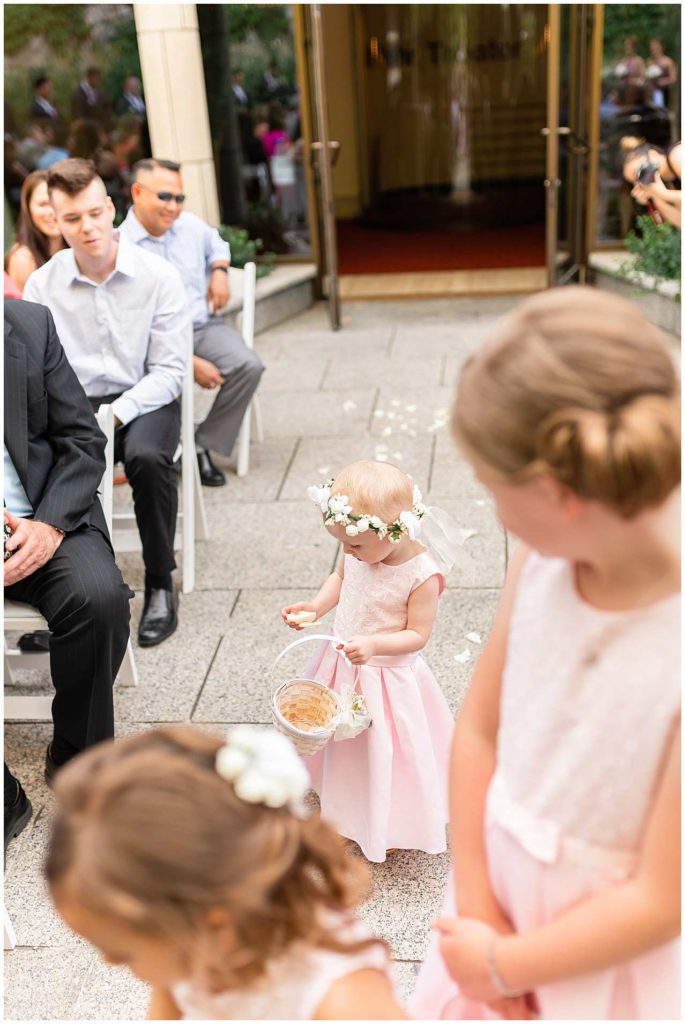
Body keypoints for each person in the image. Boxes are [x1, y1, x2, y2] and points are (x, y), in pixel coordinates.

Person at [410, 286, 680, 1020]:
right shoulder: (540, 558)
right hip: (490, 900)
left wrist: (507, 965)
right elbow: (479, 730)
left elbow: (661, 900)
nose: (494, 513)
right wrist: (480, 913)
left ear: (559, 491)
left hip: (601, 963)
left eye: (491, 489)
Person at [45, 724, 406, 1019]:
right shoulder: (190, 940)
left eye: (122, 952)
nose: (108, 962)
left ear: (213, 922)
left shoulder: (344, 1003)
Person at [23, 158, 189, 647]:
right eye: (73, 219)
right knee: (42, 462)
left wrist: (117, 413)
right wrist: (81, 419)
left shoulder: (158, 276)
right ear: (55, 220)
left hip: (144, 396)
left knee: (148, 456)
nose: (88, 227)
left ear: (111, 207)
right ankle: (75, 600)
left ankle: (160, 580)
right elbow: (38, 376)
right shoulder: (42, 285)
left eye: (95, 213)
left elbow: (171, 372)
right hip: (72, 405)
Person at [4, 297, 133, 850]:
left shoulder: (28, 326)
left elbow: (83, 442)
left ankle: (77, 756)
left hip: (40, 517)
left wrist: (49, 527)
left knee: (99, 598)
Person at [282, 462, 459, 863]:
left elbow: (418, 634)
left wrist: (375, 644)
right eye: (342, 543)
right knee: (345, 743)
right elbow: (341, 579)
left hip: (385, 678)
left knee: (385, 747)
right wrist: (315, 608)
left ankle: (389, 814)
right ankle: (345, 798)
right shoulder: (358, 549)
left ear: (395, 532)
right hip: (342, 662)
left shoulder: (422, 575)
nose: (348, 551)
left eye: (356, 546)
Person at [121, 158, 264, 487]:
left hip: (201, 327)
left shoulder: (192, 226)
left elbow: (218, 244)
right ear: (138, 193)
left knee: (248, 366)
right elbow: (133, 329)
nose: (174, 207)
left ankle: (199, 445)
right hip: (151, 341)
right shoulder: (120, 246)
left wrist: (219, 272)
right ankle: (160, 453)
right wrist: (187, 362)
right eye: (165, 197)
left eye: (179, 198)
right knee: (165, 384)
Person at [4, 169, 68, 293]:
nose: (52, 212)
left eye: (58, 202)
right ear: (28, 208)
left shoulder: (77, 247)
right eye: (43, 204)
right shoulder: (23, 258)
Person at [622, 136, 681, 228]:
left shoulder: (677, 155)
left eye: (639, 173)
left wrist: (664, 194)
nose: (640, 182)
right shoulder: (666, 182)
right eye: (635, 182)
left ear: (653, 154)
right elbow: (680, 221)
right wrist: (654, 195)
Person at [70, 67, 111, 132]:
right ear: (89, 77)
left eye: (99, 78)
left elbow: (107, 111)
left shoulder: (100, 93)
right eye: (95, 78)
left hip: (102, 129)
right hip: (85, 131)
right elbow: (78, 117)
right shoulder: (78, 94)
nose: (97, 81)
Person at [645, 38, 678, 110]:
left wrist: (663, 82)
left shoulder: (668, 61)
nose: (654, 48)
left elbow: (674, 79)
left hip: (664, 90)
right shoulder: (649, 61)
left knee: (657, 93)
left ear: (662, 47)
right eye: (652, 46)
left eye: (656, 46)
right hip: (650, 89)